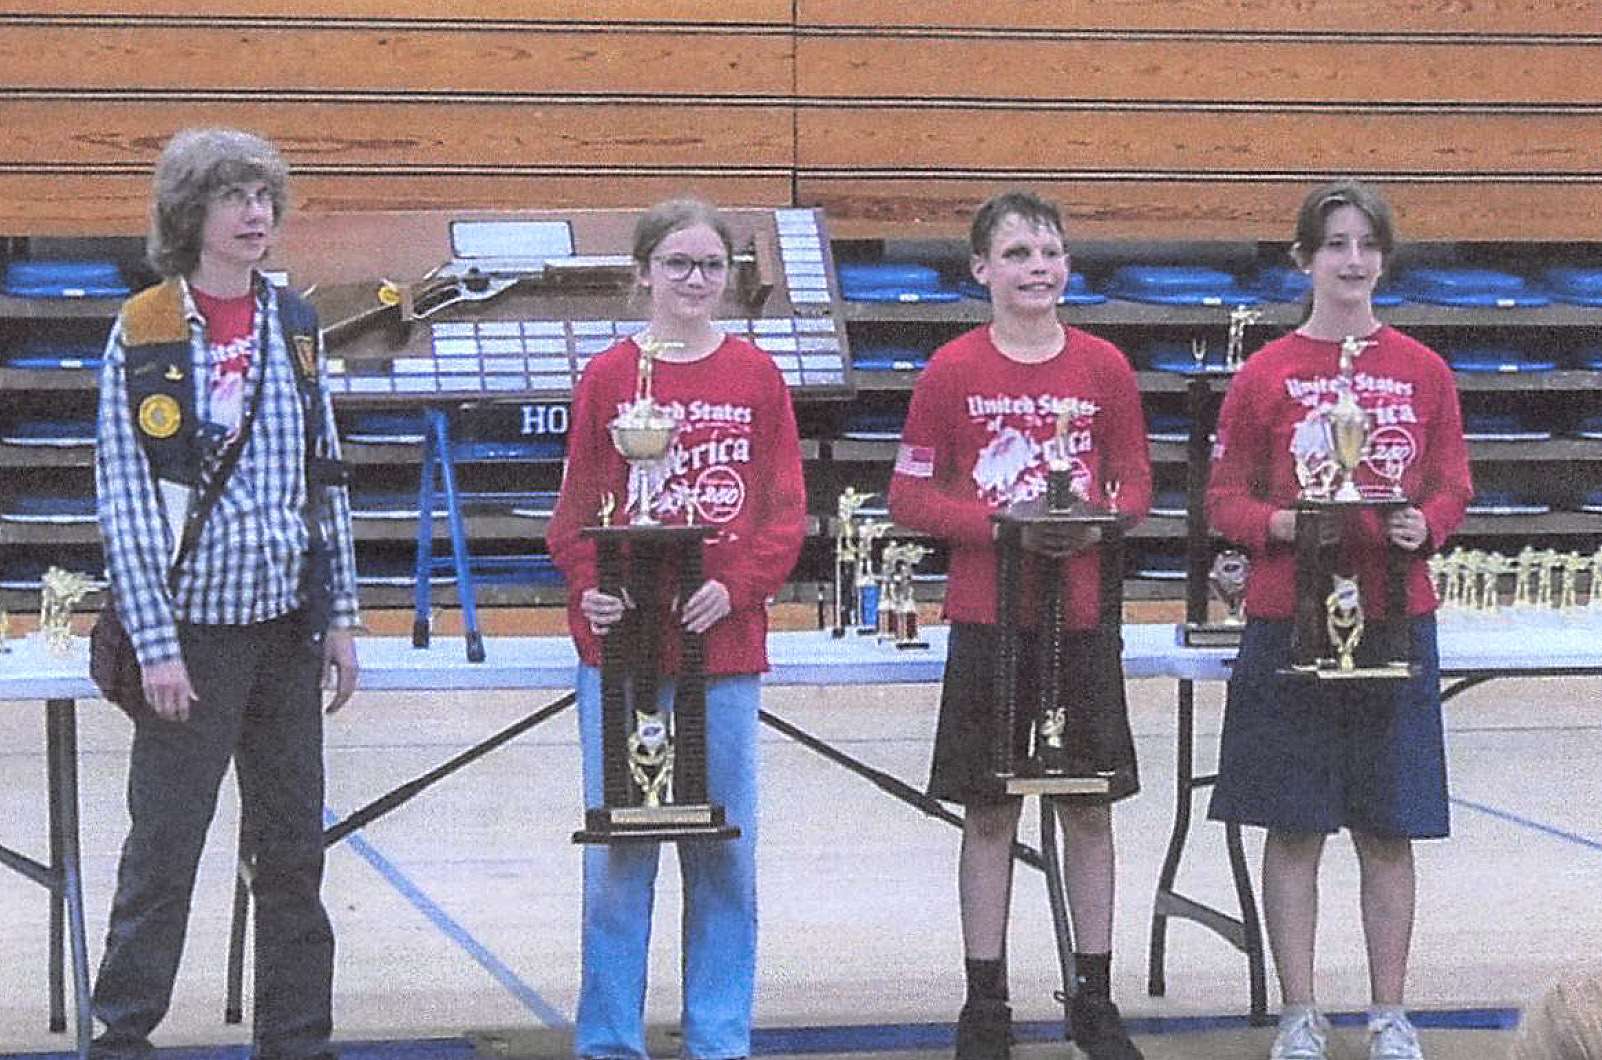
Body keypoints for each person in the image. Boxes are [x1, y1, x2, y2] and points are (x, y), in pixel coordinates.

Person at [92, 127, 360, 1059]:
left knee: (293, 854)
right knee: (163, 854)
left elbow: (324, 476)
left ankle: (297, 1042)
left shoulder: (296, 322)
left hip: (287, 629)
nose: (256, 214)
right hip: (189, 641)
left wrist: (340, 617)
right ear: (189, 214)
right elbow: (125, 502)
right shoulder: (147, 328)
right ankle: (122, 1038)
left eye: (265, 198)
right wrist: (156, 647)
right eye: (234, 197)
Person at [1205, 180, 1473, 1060]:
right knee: (1295, 823)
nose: (1352, 260)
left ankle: (1390, 1012)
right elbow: (1221, 500)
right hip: (1290, 617)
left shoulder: (1424, 371)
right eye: (1334, 245)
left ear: (1383, 259)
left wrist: (1422, 524)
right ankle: (1299, 1011)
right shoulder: (1265, 374)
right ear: (1303, 260)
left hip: (1394, 614)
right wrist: (1277, 523)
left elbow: (1451, 485)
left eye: (1366, 245)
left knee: (1388, 825)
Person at [888, 190, 1152, 1060]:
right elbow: (910, 494)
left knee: (1087, 808)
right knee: (989, 810)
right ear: (981, 270)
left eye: (1050, 252)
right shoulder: (952, 371)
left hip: (1081, 616)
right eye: (1017, 254)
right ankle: (985, 999)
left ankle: (1095, 993)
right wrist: (1001, 525)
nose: (1037, 267)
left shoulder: (1106, 368)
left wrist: (1092, 522)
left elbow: (1137, 487)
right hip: (991, 616)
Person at [546, 198, 807, 1059]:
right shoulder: (610, 378)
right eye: (678, 264)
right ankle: (609, 1042)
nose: (696, 280)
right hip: (623, 652)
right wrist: (591, 588)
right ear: (644, 273)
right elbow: (575, 513)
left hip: (721, 653)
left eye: (711, 266)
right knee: (620, 860)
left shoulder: (757, 378)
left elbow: (784, 514)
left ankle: (720, 1040)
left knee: (723, 855)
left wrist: (735, 586)